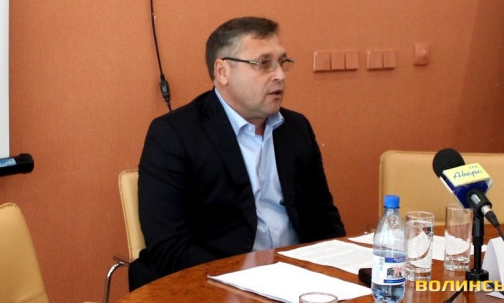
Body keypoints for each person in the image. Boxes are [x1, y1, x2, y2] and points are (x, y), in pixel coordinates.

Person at [130, 16, 345, 289]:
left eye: (282, 62)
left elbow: (324, 219)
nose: (279, 75)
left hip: (296, 282)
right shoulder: (174, 135)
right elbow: (170, 247)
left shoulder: (296, 128)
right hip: (215, 284)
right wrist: (246, 283)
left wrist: (330, 274)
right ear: (222, 72)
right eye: (264, 63)